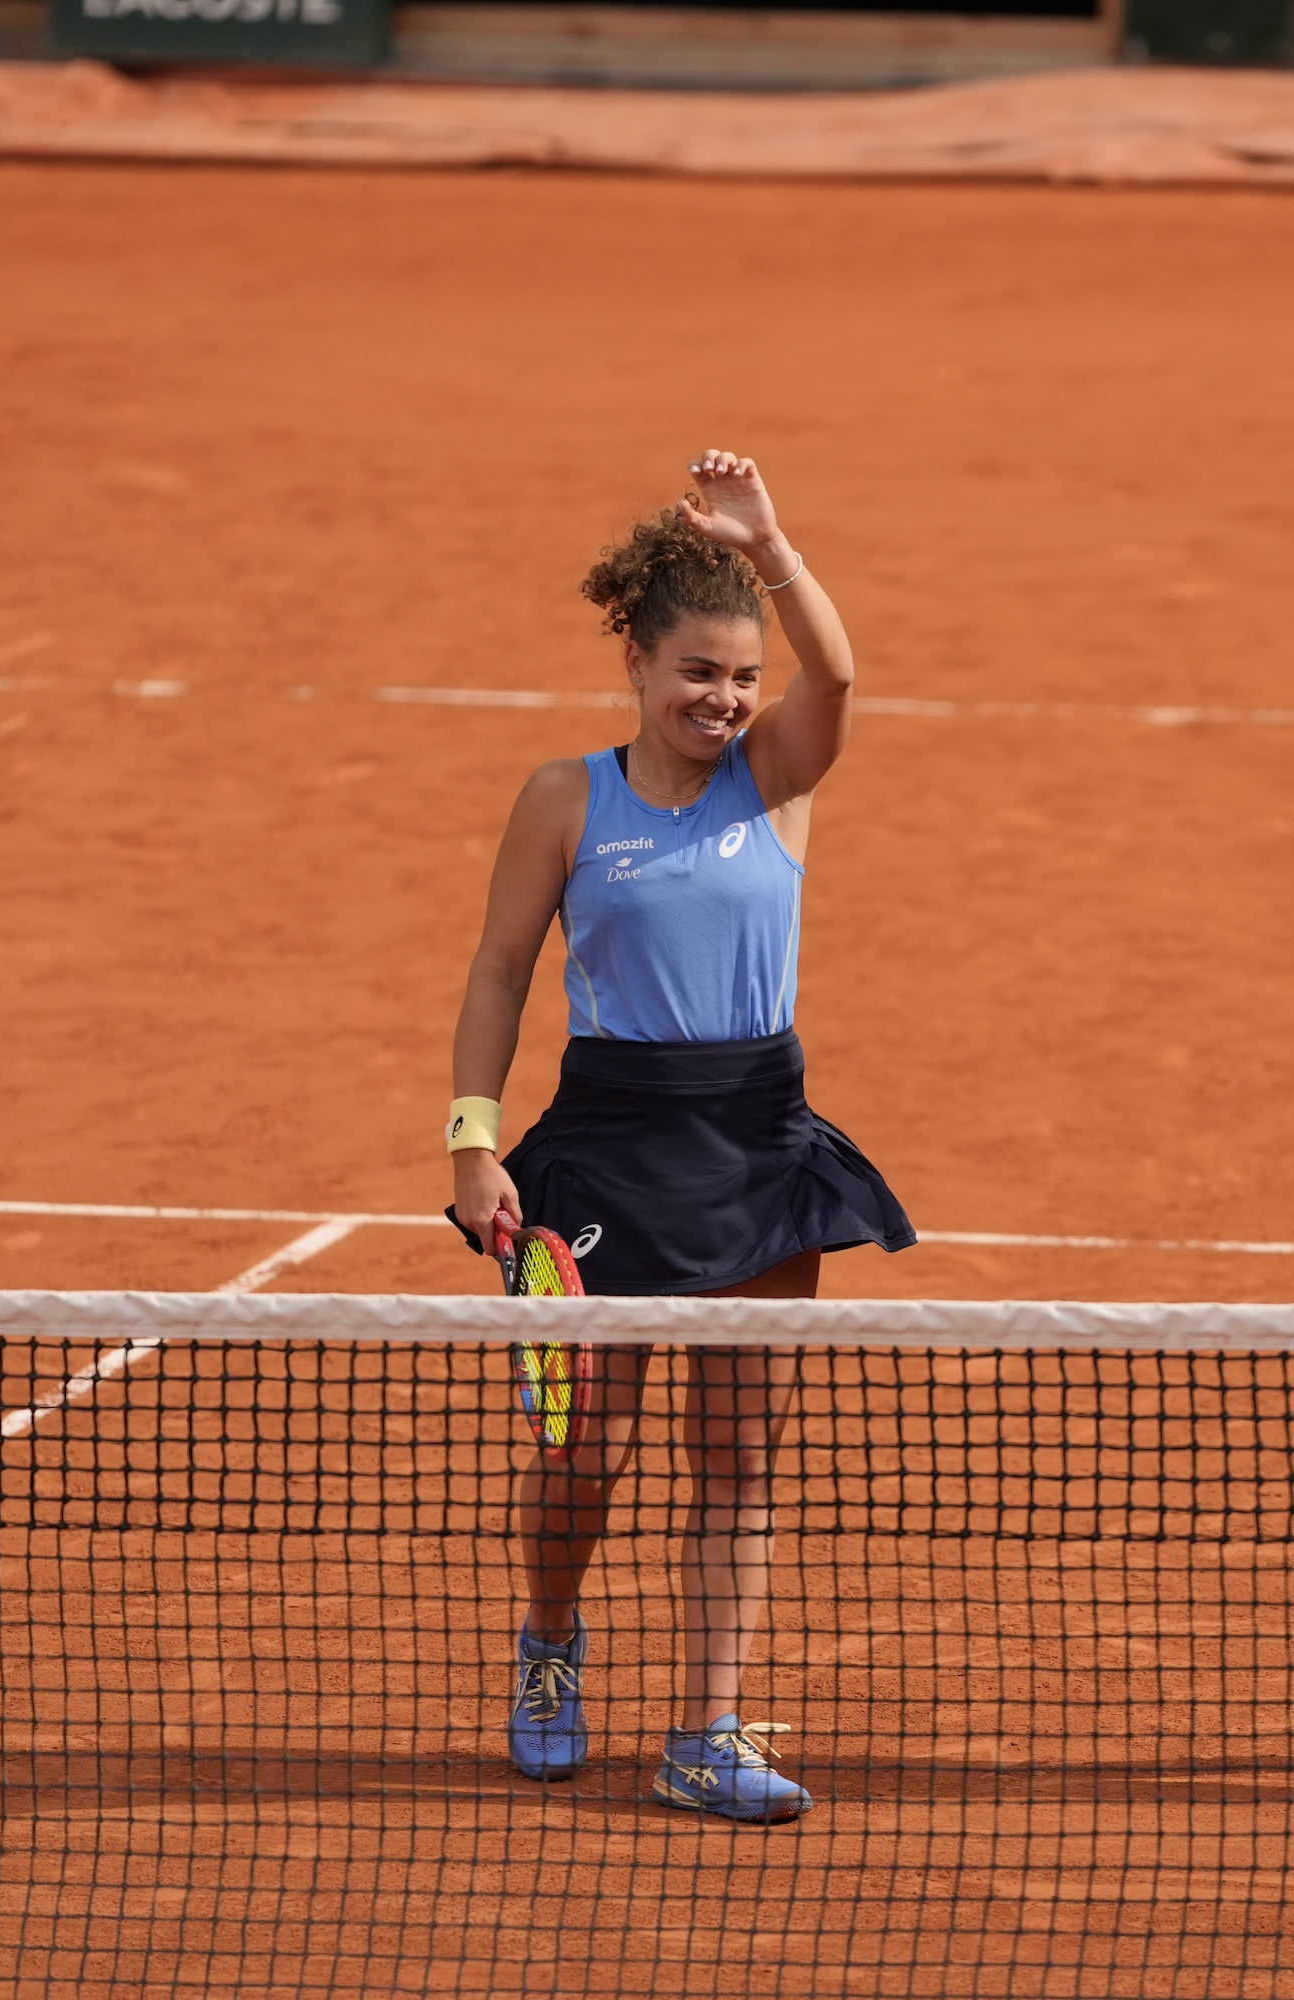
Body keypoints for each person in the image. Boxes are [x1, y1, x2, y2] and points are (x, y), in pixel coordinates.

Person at [443, 451, 913, 1823]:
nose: (721, 698)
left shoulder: (777, 774)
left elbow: (838, 675)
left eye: (738, 677)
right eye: (695, 672)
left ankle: (707, 1727)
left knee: (743, 1454)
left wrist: (773, 543)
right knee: (587, 1449)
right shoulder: (565, 799)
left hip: (761, 1138)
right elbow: (497, 973)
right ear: (640, 665)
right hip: (611, 1139)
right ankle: (549, 1645)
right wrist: (476, 1140)